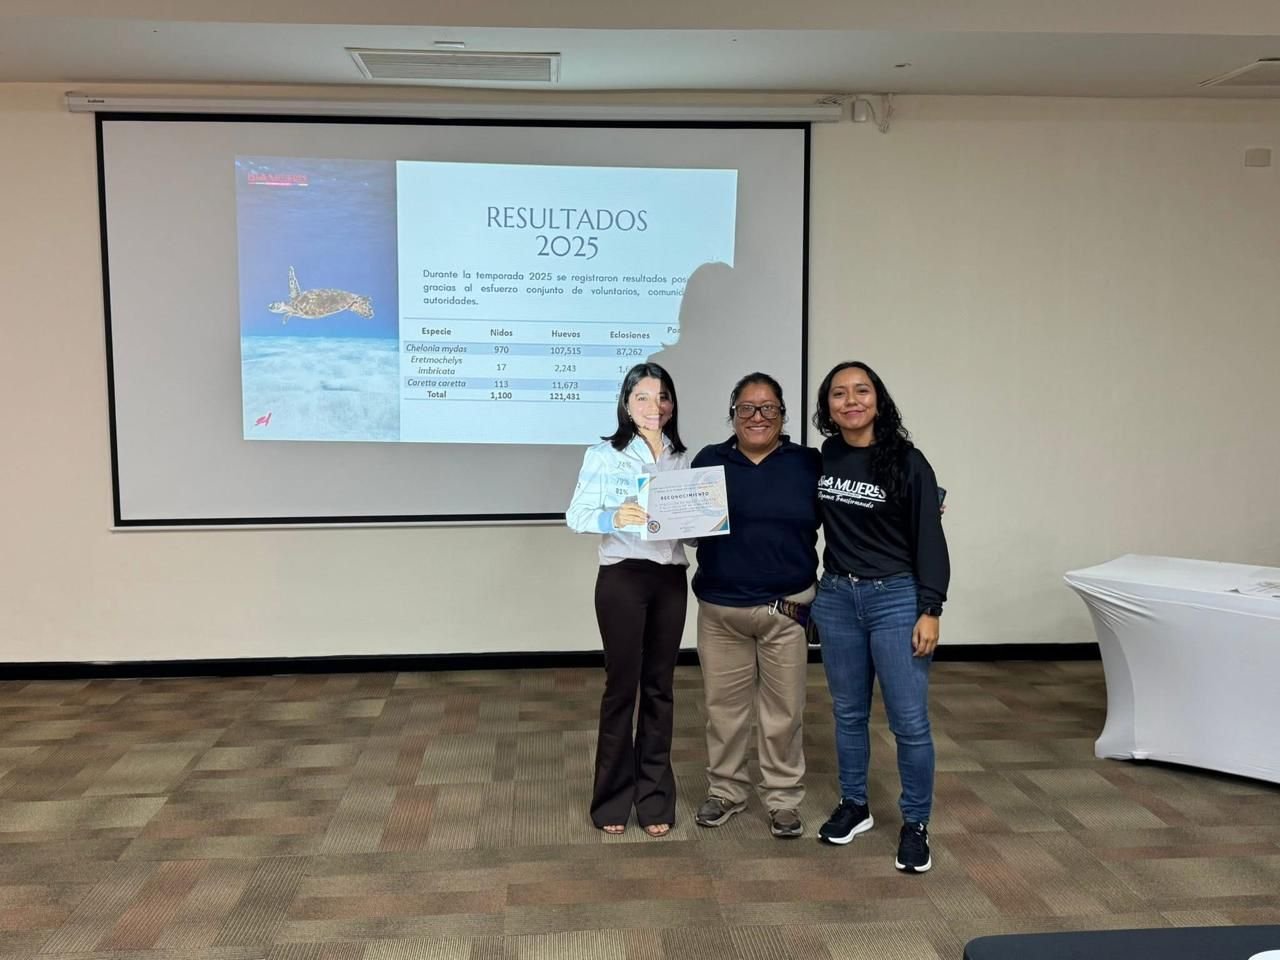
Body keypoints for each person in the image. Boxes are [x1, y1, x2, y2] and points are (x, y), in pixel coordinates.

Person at [810, 361, 950, 874]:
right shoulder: (823, 457)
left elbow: (930, 540)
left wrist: (929, 608)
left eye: (861, 391)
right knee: (848, 713)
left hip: (895, 599)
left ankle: (915, 824)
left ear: (878, 399)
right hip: (838, 599)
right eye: (839, 394)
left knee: (909, 722)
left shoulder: (908, 462)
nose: (851, 401)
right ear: (827, 408)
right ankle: (855, 805)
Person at [689, 373, 821, 839]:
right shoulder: (709, 460)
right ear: (733, 415)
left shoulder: (808, 463)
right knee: (723, 709)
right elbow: (690, 531)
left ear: (783, 414)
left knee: (784, 711)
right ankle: (725, 791)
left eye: (767, 408)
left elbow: (850, 515)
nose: (757, 416)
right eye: (746, 408)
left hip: (785, 610)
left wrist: (915, 507)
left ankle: (783, 799)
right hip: (720, 611)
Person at [565, 362, 690, 837]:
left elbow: (691, 532)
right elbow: (576, 516)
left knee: (660, 689)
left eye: (662, 397)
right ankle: (612, 798)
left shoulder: (684, 457)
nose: (653, 407)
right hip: (622, 577)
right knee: (622, 689)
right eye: (642, 397)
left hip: (670, 580)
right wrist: (614, 516)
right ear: (625, 403)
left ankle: (655, 798)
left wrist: (706, 522)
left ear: (672, 404)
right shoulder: (604, 454)